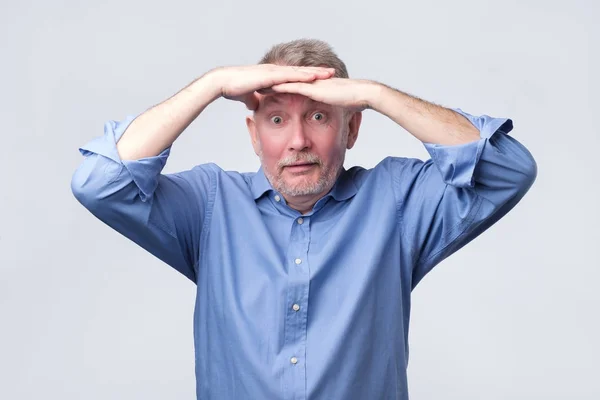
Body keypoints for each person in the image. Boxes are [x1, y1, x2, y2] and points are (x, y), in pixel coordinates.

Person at [71, 38, 537, 399]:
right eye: (276, 120)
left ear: (351, 128)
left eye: (318, 116)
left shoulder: (397, 201)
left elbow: (508, 171)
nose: (297, 141)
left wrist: (373, 94)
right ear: (254, 135)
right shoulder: (210, 205)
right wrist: (212, 84)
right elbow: (98, 182)